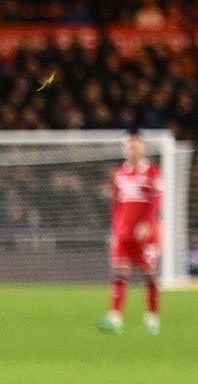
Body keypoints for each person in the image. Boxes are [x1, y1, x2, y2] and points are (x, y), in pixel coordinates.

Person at [97, 130, 162, 335]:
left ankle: (152, 316)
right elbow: (115, 204)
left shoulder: (152, 172)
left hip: (144, 235)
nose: (131, 149)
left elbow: (157, 200)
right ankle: (115, 318)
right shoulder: (119, 174)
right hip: (123, 234)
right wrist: (115, 229)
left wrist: (148, 223)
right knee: (119, 273)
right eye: (128, 146)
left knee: (149, 275)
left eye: (135, 145)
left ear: (142, 147)